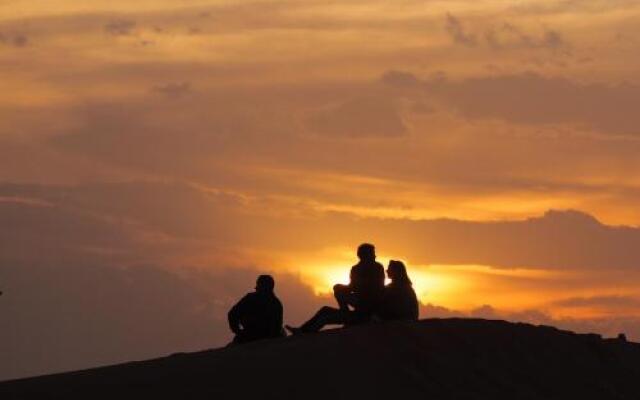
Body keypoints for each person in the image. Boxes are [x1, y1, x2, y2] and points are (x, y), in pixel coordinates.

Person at [286, 243, 385, 334]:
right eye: (372, 253)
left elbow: (376, 289)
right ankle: (302, 329)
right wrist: (340, 289)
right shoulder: (357, 269)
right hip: (359, 305)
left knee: (325, 318)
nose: (374, 255)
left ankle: (306, 333)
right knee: (325, 310)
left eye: (373, 253)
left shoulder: (376, 268)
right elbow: (352, 287)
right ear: (364, 255)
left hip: (366, 309)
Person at [227, 275, 285, 344]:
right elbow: (232, 314)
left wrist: (239, 332)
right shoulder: (276, 303)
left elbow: (232, 314)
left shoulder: (250, 298)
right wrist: (239, 332)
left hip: (253, 337)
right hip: (254, 337)